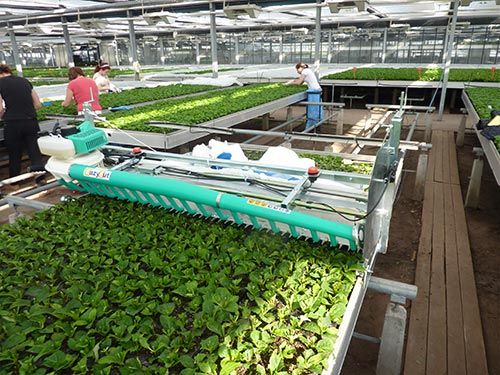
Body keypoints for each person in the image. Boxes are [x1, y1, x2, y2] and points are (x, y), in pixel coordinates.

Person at [0, 64, 45, 178]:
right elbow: (38, 104)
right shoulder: (24, 81)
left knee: (14, 153)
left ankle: (15, 182)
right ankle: (40, 179)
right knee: (34, 152)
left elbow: (0, 109)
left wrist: (4, 115)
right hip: (31, 121)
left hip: (13, 123)